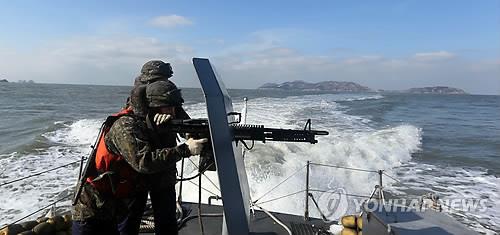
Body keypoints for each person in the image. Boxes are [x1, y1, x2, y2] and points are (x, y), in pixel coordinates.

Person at [72, 80, 207, 235]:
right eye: (168, 107)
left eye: (174, 107)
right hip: (93, 208)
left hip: (114, 206)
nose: (173, 112)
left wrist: (164, 129)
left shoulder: (148, 123)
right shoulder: (126, 125)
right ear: (152, 107)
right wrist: (185, 150)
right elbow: (144, 162)